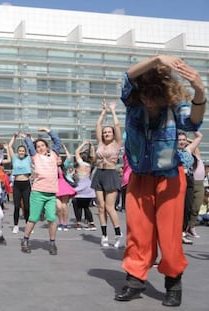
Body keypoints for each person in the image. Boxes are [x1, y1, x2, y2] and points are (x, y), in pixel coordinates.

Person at [115, 55, 206, 307]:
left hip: (169, 178)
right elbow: (128, 76)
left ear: (164, 94)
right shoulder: (132, 105)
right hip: (140, 177)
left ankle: (173, 284)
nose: (147, 100)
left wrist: (199, 91)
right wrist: (156, 59)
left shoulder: (175, 107)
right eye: (143, 94)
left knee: (169, 235)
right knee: (138, 233)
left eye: (153, 95)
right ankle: (134, 281)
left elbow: (194, 121)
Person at [20, 128, 61, 255]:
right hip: (38, 192)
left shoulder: (54, 155)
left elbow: (57, 142)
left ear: (47, 146)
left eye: (42, 145)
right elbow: (29, 145)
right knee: (33, 218)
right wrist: (27, 137)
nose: (40, 148)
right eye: (38, 146)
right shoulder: (35, 157)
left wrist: (48, 131)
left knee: (52, 218)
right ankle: (25, 240)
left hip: (51, 194)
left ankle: (52, 242)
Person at [91, 99, 123, 248]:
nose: (106, 133)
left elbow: (117, 126)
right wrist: (103, 111)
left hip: (111, 175)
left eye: (108, 132)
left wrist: (112, 110)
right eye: (105, 132)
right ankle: (104, 235)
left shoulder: (116, 144)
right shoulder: (101, 144)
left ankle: (118, 234)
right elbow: (98, 125)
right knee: (101, 207)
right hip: (99, 174)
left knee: (110, 207)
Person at [177, 131, 202, 244]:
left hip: (189, 180)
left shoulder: (189, 150)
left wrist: (192, 126)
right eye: (179, 140)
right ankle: (175, 232)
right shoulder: (173, 151)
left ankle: (183, 232)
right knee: (177, 207)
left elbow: (199, 136)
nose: (181, 142)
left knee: (188, 206)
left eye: (183, 140)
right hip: (176, 180)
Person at [8, 133, 32, 234]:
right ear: (17, 152)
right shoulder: (15, 158)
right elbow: (9, 146)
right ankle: (16, 225)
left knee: (27, 206)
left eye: (23, 151)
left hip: (26, 184)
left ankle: (28, 225)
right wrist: (14, 137)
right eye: (20, 151)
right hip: (17, 184)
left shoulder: (28, 158)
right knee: (17, 206)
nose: (21, 152)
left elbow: (31, 147)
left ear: (25, 152)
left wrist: (28, 138)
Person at [72, 140, 97, 231]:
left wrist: (83, 144)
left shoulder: (81, 164)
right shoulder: (90, 165)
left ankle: (78, 223)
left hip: (80, 188)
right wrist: (92, 147)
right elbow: (93, 155)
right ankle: (91, 223)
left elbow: (76, 152)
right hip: (89, 188)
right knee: (86, 207)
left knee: (78, 206)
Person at [56, 144, 76, 231]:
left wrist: (64, 148)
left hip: (64, 187)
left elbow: (69, 157)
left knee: (64, 207)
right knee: (58, 207)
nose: (59, 160)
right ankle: (60, 222)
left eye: (60, 159)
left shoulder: (64, 167)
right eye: (57, 159)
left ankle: (65, 223)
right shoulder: (51, 167)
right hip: (55, 187)